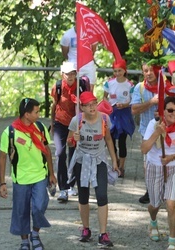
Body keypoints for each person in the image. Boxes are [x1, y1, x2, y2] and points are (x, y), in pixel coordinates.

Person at [0, 98, 57, 250]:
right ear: (26, 114)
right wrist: (2, 183)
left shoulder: (40, 128)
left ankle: (35, 235)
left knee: (39, 206)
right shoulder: (10, 132)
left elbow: (47, 150)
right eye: (36, 112)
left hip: (40, 176)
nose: (39, 115)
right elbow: (2, 157)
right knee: (21, 211)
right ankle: (25, 242)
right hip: (21, 179)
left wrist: (51, 173)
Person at [66, 91, 119, 248]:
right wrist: (72, 139)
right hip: (82, 160)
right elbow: (68, 143)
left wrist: (114, 160)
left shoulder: (104, 118)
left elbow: (108, 139)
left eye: (94, 103)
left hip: (99, 159)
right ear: (81, 107)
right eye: (88, 105)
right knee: (83, 196)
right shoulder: (77, 121)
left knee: (102, 195)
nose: (92, 107)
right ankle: (86, 229)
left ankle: (103, 234)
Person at [141, 96, 175, 250]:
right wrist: (157, 133)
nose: (174, 113)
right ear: (163, 111)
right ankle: (153, 222)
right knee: (155, 204)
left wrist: (172, 157)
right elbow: (144, 149)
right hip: (154, 166)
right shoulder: (154, 124)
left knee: (171, 203)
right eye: (170, 110)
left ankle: (172, 241)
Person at [131, 63, 160, 204]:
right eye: (145, 71)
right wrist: (151, 102)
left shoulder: (167, 86)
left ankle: (162, 190)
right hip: (146, 131)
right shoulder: (139, 88)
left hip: (165, 130)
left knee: (163, 161)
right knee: (147, 163)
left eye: (152, 70)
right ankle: (150, 190)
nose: (149, 73)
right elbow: (134, 109)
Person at [50, 62, 79, 202]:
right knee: (60, 153)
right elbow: (54, 105)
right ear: (62, 74)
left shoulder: (80, 87)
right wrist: (52, 124)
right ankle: (62, 189)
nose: (70, 76)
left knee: (74, 154)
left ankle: (71, 185)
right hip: (60, 123)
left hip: (75, 124)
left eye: (73, 73)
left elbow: (86, 105)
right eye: (68, 73)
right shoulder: (58, 87)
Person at [103, 59, 135, 177]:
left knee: (122, 141)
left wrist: (126, 105)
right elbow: (105, 97)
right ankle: (115, 162)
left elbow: (132, 99)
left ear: (124, 70)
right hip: (112, 113)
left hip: (124, 114)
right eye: (115, 71)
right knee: (110, 138)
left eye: (120, 70)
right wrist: (109, 105)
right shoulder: (109, 83)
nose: (117, 73)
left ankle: (121, 167)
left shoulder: (130, 85)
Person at [60, 14, 97, 89]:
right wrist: (73, 59)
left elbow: (93, 50)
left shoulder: (91, 33)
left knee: (89, 92)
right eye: (79, 19)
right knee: (74, 91)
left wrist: (86, 59)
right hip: (73, 66)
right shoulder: (67, 35)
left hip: (88, 64)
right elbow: (64, 53)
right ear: (75, 20)